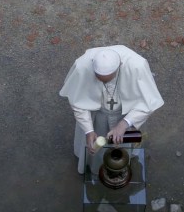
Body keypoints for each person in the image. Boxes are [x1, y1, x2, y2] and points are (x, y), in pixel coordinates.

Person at [59, 45, 164, 174]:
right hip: (97, 114)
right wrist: (89, 130)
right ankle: (95, 167)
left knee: (123, 143)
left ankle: (122, 160)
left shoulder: (137, 66)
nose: (104, 83)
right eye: (98, 79)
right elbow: (78, 103)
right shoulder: (82, 67)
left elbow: (148, 102)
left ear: (119, 65)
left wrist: (124, 123)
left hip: (125, 112)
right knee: (96, 147)